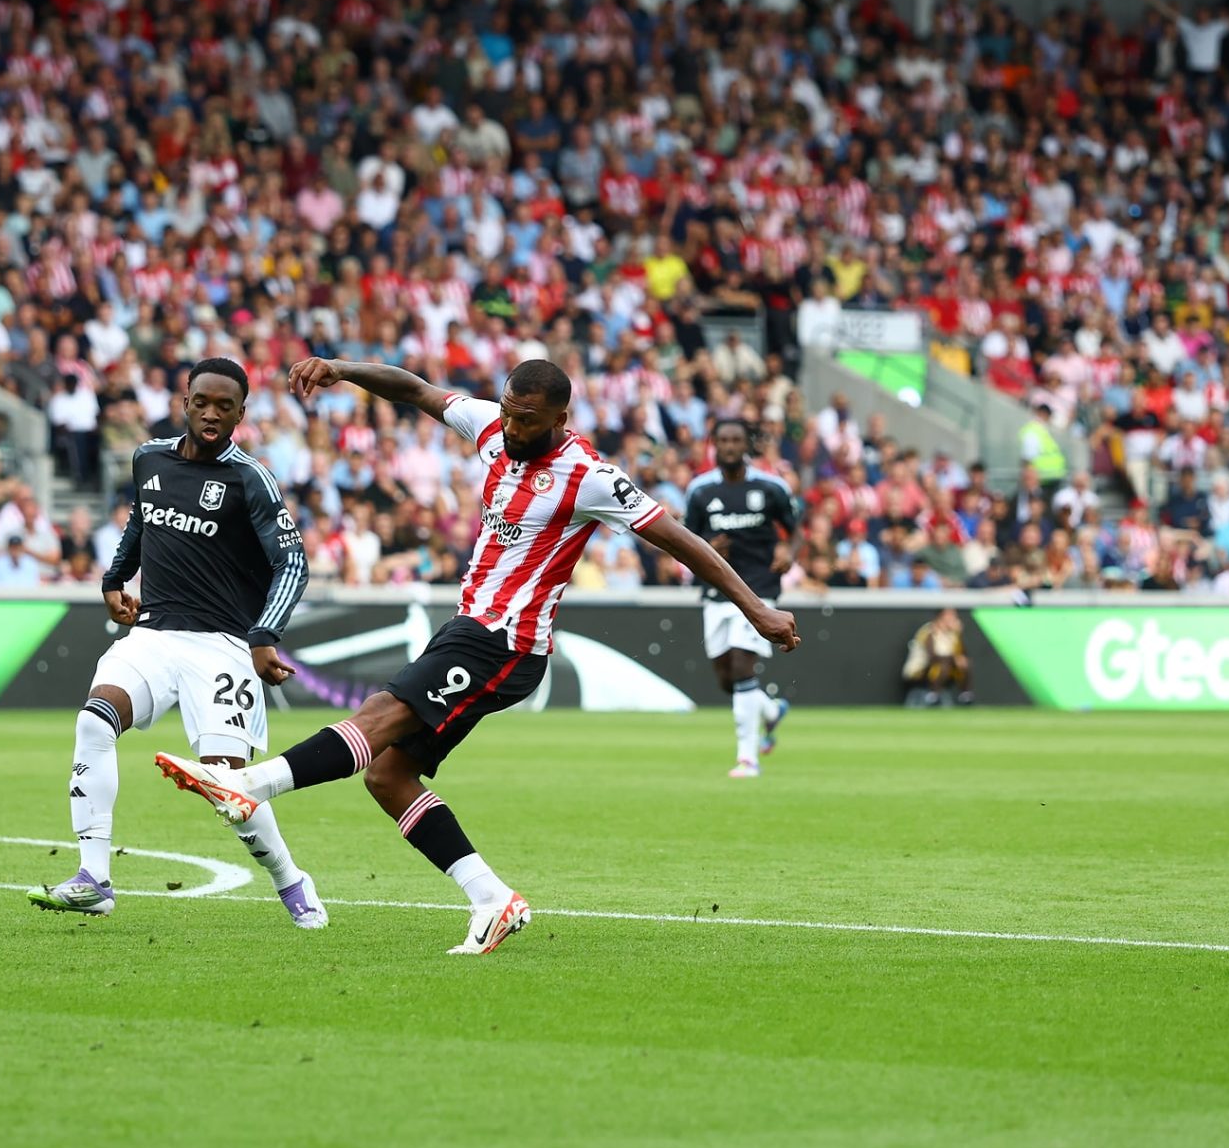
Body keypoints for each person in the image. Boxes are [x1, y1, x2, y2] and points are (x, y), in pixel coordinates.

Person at [156, 357, 799, 956]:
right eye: (509, 410)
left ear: (560, 421)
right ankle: (492, 900)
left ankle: (248, 785)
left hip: (507, 640)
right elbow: (414, 389)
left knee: (383, 709)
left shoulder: (590, 477)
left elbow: (680, 540)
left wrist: (756, 608)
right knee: (387, 776)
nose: (513, 427)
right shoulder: (492, 425)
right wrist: (340, 369)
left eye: (529, 420)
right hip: (469, 628)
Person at [31, 358, 326, 929]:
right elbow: (141, 524)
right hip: (154, 634)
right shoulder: (149, 458)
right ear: (185, 402)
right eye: (202, 402)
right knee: (94, 723)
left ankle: (290, 878)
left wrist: (263, 636)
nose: (211, 414)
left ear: (241, 414)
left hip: (222, 645)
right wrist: (114, 579)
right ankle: (94, 878)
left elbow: (293, 562)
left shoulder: (250, 479)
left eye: (225, 406)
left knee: (227, 787)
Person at [682, 417, 798, 778]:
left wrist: (788, 551)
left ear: (747, 444)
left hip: (760, 590)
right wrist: (707, 548)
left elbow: (795, 531)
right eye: (723, 440)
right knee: (726, 678)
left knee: (743, 667)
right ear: (714, 444)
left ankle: (748, 757)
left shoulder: (771, 488)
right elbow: (687, 540)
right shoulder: (700, 491)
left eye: (736, 440)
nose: (730, 446)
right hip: (716, 595)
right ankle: (769, 710)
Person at [901, 607, 972, 708]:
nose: (954, 618)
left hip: (942, 670)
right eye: (951, 615)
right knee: (944, 665)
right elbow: (932, 656)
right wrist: (953, 659)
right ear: (941, 616)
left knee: (962, 663)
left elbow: (961, 654)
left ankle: (965, 694)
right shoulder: (928, 631)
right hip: (919, 669)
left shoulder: (952, 634)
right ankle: (933, 695)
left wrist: (958, 634)